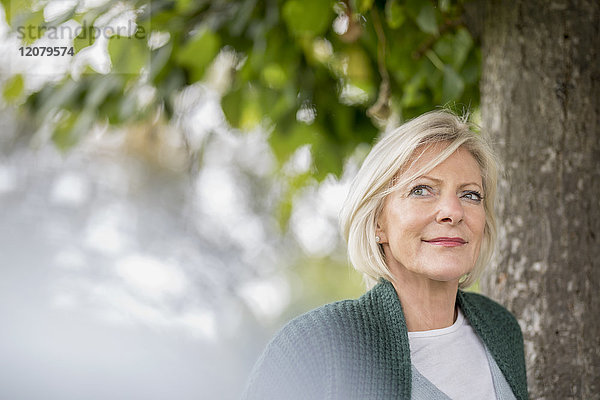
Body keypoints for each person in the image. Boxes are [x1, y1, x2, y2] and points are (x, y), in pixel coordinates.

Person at [241, 110, 528, 400]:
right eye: (422, 190)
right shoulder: (313, 345)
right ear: (378, 222)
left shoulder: (501, 329)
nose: (453, 212)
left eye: (470, 195)